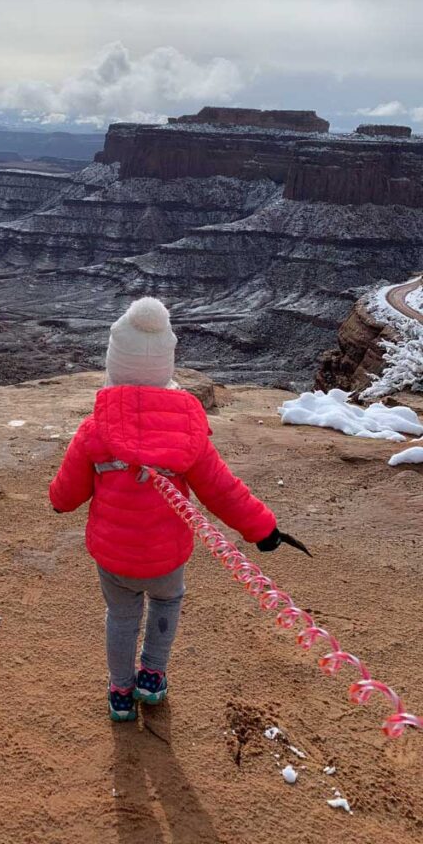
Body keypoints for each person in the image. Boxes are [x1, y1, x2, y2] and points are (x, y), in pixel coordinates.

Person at [49, 297, 289, 722]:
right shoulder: (188, 434)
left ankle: (121, 692)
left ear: (114, 363)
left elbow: (64, 498)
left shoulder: (93, 431)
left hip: (114, 557)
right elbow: (223, 490)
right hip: (166, 558)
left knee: (121, 617)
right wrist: (263, 528)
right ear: (167, 366)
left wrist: (58, 494)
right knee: (166, 603)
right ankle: (152, 678)